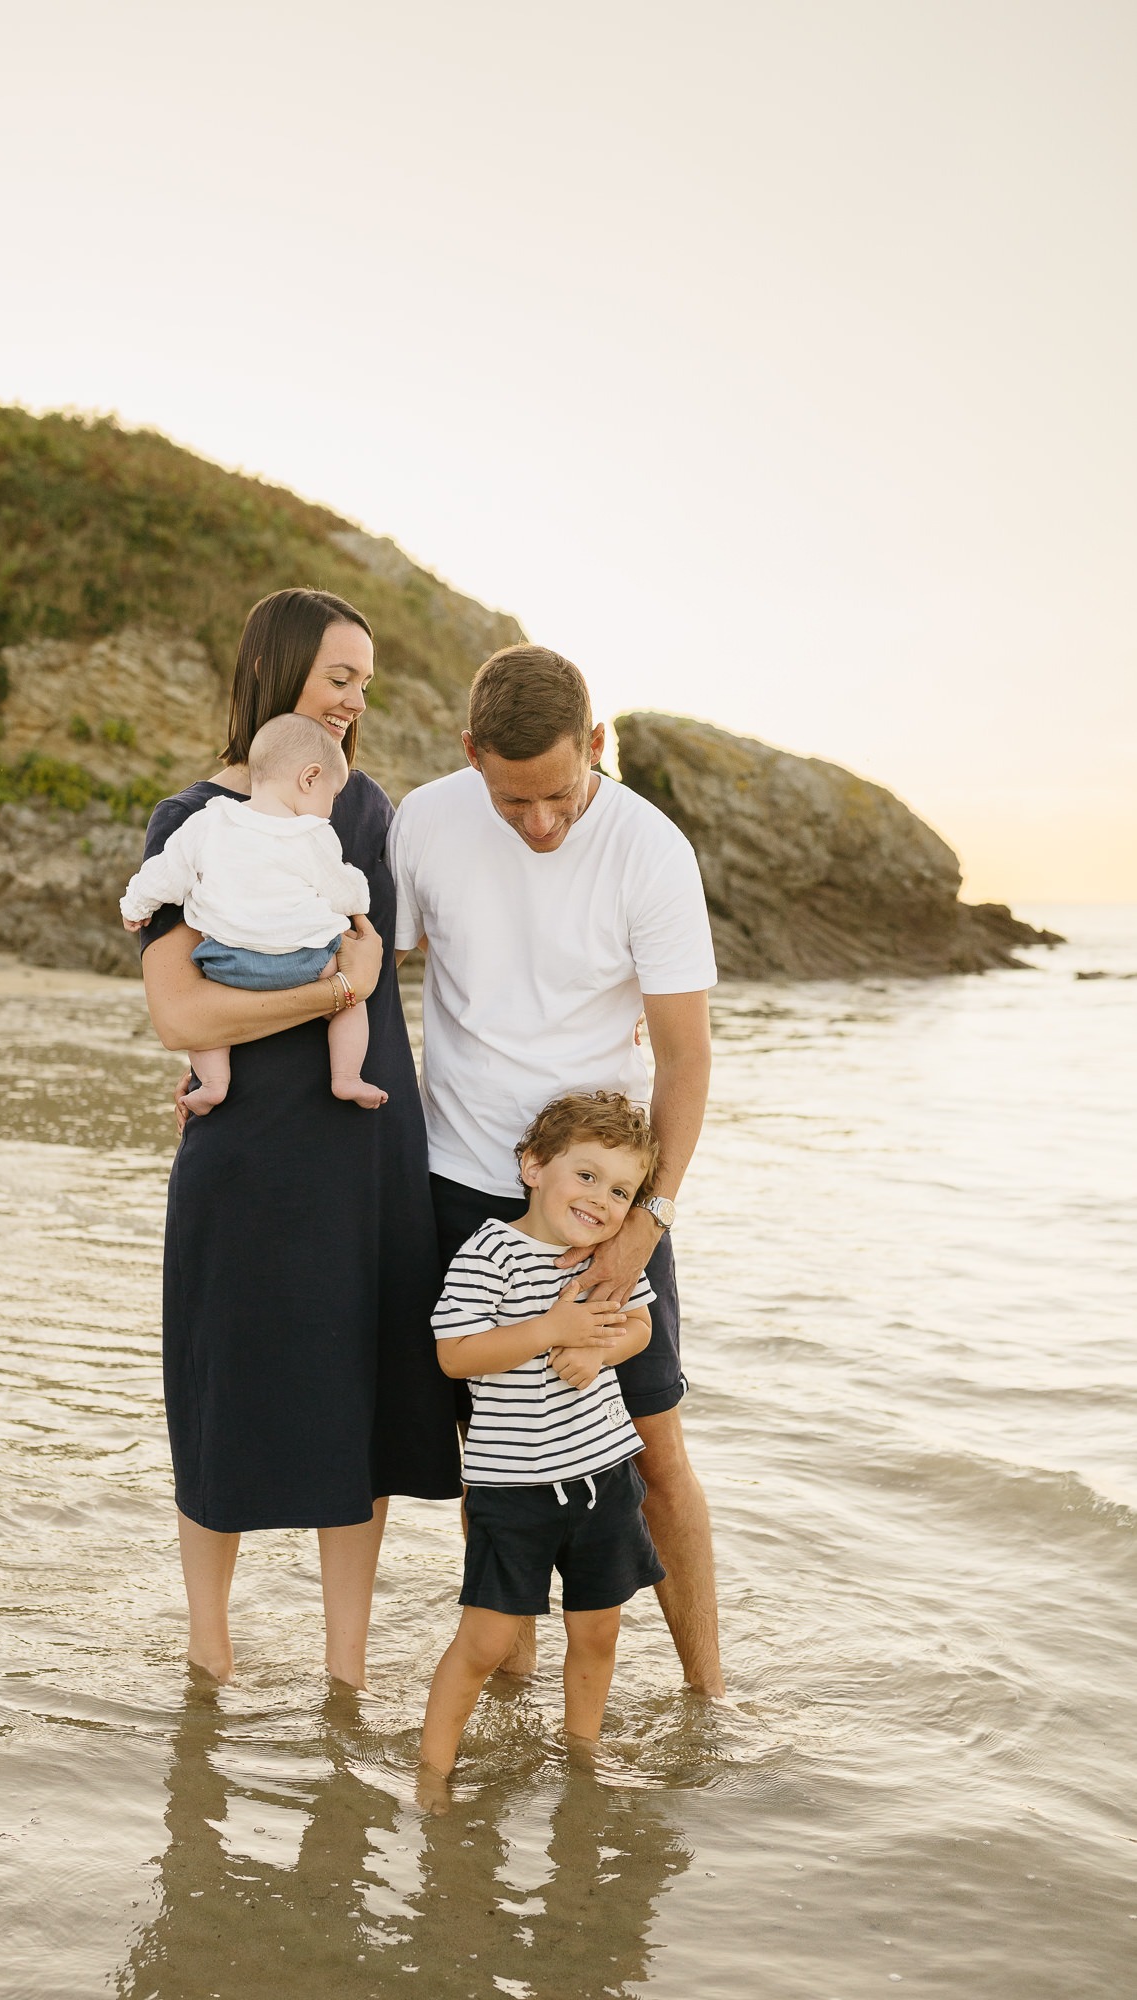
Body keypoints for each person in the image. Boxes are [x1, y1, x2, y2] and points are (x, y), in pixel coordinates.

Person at [138, 586, 462, 1688]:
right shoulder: (186, 821)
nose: (353, 700)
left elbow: (412, 942)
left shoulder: (362, 808)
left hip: (364, 1153)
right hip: (240, 1150)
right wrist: (328, 994)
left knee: (358, 1404)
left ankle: (346, 1678)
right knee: (221, 1392)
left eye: (364, 682)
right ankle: (209, 1659)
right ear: (274, 670)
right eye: (337, 676)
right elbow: (181, 1013)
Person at [389, 644, 725, 1696]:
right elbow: (363, 981)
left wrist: (644, 1222)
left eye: (559, 794)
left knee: (653, 1450)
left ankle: (710, 1698)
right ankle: (511, 1703)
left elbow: (685, 1057)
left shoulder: (648, 849)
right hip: (458, 1182)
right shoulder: (424, 823)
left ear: (596, 745)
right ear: (470, 754)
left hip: (603, 1200)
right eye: (512, 799)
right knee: (494, 1459)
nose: (539, 822)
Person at [419, 1092, 666, 1783]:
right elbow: (454, 1355)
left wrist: (600, 1350)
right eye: (585, 1175)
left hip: (604, 1478)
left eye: (619, 1191)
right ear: (533, 1167)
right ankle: (432, 1773)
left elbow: (640, 1325)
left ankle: (581, 1758)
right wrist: (551, 1330)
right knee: (485, 1640)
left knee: (598, 1632)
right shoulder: (490, 1252)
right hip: (514, 1489)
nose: (600, 1200)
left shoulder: (606, 1260)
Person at [120, 713, 386, 1113]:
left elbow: (164, 874)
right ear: (309, 778)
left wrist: (135, 907)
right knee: (351, 1002)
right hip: (309, 962)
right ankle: (347, 1077)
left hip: (227, 965)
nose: (330, 810)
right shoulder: (313, 834)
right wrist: (360, 901)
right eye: (331, 796)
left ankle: (213, 1084)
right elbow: (342, 893)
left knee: (207, 1028)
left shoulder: (208, 821)